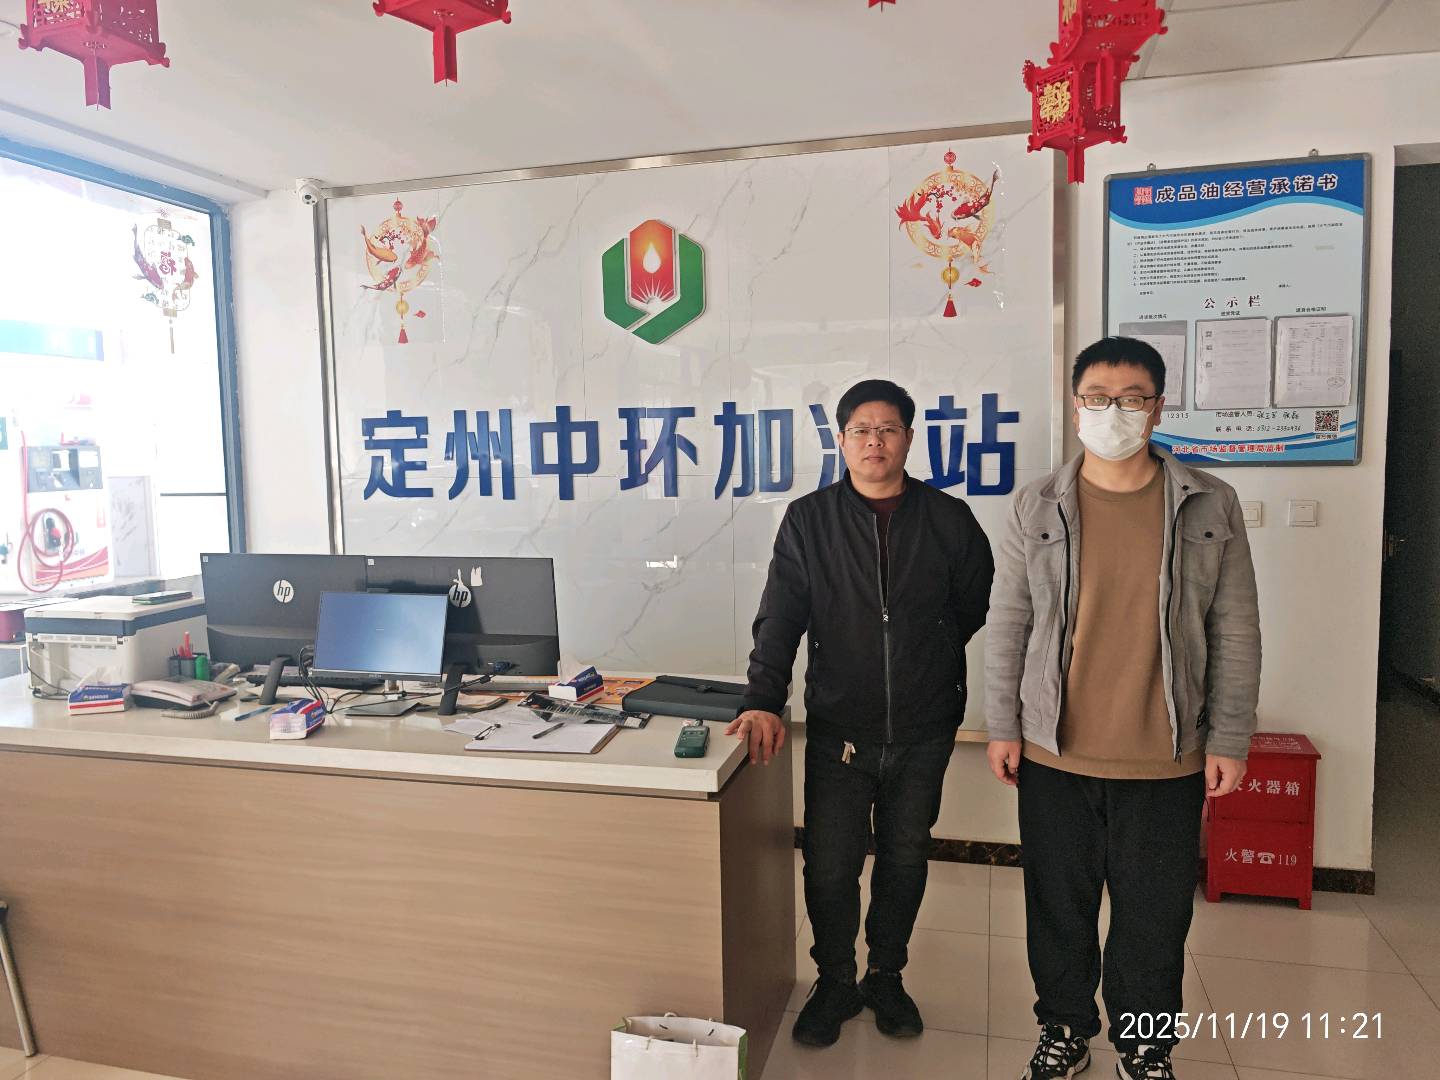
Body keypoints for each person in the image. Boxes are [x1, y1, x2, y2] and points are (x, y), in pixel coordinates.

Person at [985, 337, 1261, 1080]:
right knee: (1057, 907)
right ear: (1076, 407)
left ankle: (1144, 1042)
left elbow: (1235, 628)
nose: (1114, 411)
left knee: (1155, 915)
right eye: (1098, 397)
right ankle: (1064, 1028)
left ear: (1158, 407)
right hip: (1054, 748)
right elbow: (1009, 621)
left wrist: (1230, 737)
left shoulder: (1209, 502)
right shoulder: (1036, 504)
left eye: (1132, 398)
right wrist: (1002, 724)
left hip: (1166, 755)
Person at [728, 378, 994, 1048]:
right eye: (861, 430)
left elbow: (971, 604)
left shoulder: (949, 518)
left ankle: (886, 975)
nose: (875, 441)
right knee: (830, 863)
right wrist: (763, 699)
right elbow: (780, 617)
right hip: (839, 726)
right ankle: (836, 979)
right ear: (842, 441)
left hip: (925, 726)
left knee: (905, 857)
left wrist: (923, 651)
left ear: (909, 438)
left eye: (889, 429)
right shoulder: (809, 520)